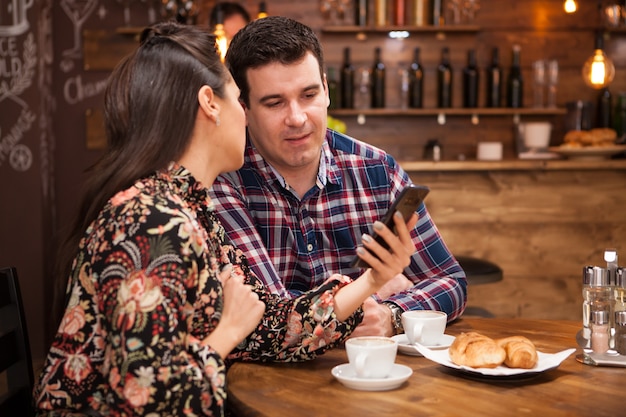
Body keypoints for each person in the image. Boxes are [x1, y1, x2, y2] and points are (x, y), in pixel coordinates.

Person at [33, 21, 418, 416]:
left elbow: (269, 325)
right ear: (209, 103)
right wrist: (227, 332)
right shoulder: (152, 222)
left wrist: (371, 280)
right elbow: (148, 405)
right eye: (239, 100)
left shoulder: (189, 208)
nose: (246, 117)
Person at [210, 16, 468, 339]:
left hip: (375, 381)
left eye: (308, 95)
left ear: (327, 91)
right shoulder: (224, 182)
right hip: (265, 386)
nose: (297, 118)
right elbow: (270, 320)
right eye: (275, 103)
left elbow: (451, 282)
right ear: (243, 109)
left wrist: (393, 314)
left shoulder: (378, 171)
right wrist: (372, 290)